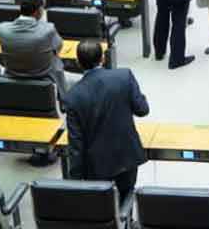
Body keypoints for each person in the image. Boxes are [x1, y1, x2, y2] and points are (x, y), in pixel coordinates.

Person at [64, 39, 150, 200]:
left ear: (78, 63)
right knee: (126, 199)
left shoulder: (73, 97)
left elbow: (76, 143)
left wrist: (75, 180)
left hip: (96, 167)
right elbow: (143, 110)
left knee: (101, 207)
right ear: (103, 58)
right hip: (127, 157)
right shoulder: (124, 77)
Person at [0, 0, 67, 98]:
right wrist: (42, 24)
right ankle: (64, 100)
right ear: (39, 10)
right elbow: (58, 47)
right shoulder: (48, 29)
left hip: (12, 78)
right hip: (43, 80)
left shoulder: (2, 29)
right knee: (56, 59)